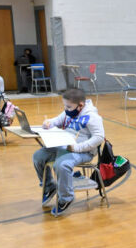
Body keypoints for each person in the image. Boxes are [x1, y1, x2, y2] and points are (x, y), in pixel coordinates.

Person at [33, 88, 104, 217]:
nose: (66, 109)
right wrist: (48, 123)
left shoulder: (92, 117)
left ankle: (66, 198)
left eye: (68, 106)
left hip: (83, 151)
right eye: (65, 105)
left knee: (61, 165)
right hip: (64, 145)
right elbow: (57, 120)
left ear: (80, 105)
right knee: (38, 156)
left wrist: (77, 148)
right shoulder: (70, 110)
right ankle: (49, 187)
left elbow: (99, 138)